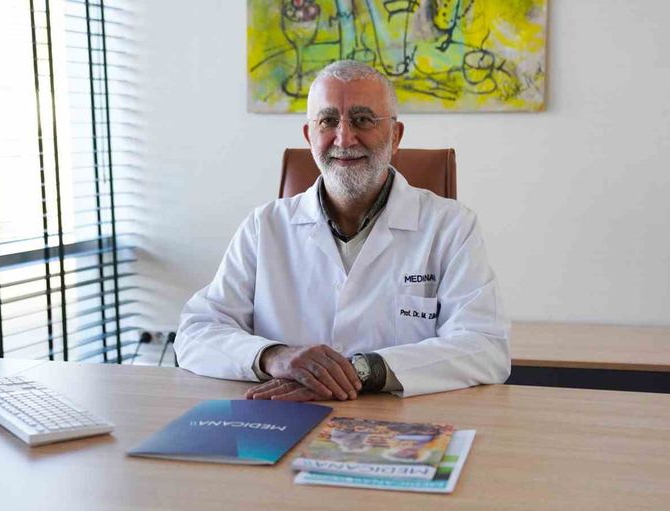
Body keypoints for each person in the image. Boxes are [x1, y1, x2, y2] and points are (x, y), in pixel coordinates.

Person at [174, 60, 510, 400]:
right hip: (285, 414)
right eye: (328, 121)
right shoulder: (265, 227)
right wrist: (274, 357)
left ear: (395, 135)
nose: (344, 138)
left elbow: (486, 347)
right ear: (309, 136)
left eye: (363, 120)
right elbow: (195, 333)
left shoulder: (451, 226)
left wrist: (362, 371)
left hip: (400, 421)